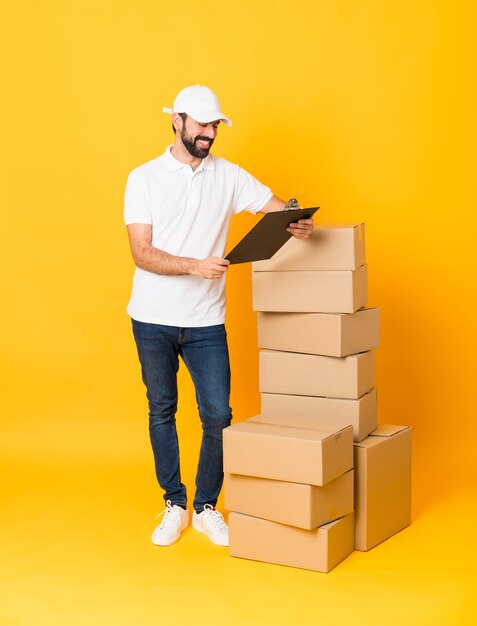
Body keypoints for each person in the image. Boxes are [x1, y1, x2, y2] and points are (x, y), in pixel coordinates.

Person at [124, 85, 314, 548]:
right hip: (152, 318)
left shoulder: (227, 176)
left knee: (219, 415)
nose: (209, 133)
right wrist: (195, 265)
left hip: (207, 321)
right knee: (161, 410)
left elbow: (275, 211)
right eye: (202, 125)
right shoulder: (143, 177)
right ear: (178, 121)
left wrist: (295, 219)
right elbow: (141, 253)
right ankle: (174, 503)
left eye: (215, 126)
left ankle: (207, 506)